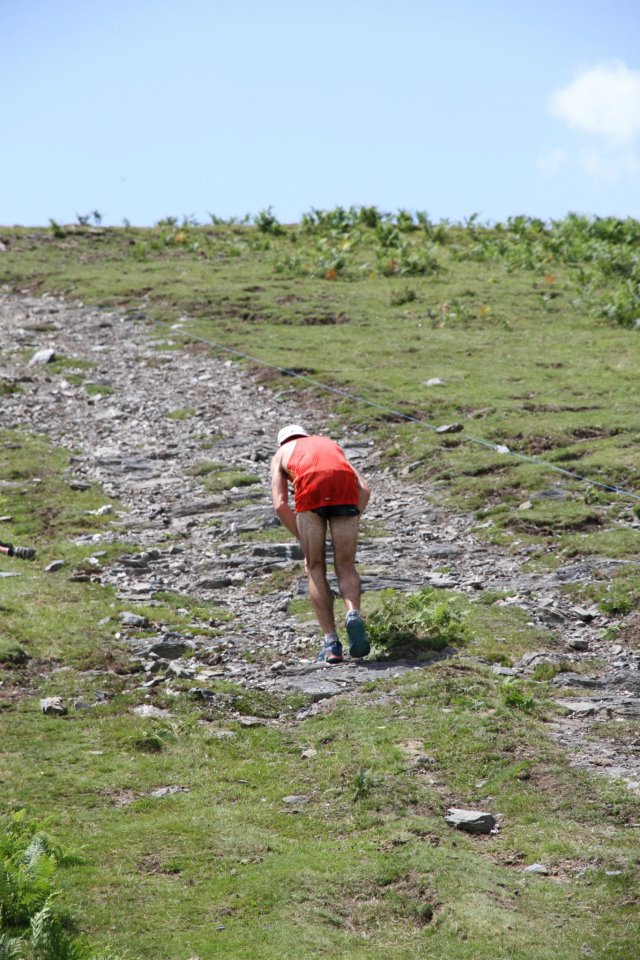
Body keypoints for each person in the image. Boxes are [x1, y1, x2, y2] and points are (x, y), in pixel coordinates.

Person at [270, 424, 371, 664]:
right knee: (346, 566)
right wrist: (353, 517)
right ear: (306, 435)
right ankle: (352, 613)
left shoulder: (282, 453)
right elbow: (364, 489)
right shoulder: (329, 443)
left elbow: (280, 504)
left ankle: (331, 643)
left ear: (282, 442)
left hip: (311, 494)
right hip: (344, 492)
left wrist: (300, 535)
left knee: (314, 566)